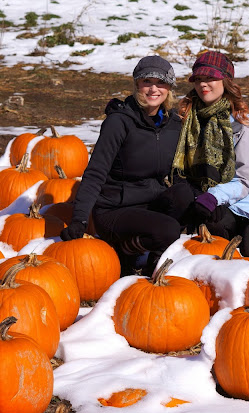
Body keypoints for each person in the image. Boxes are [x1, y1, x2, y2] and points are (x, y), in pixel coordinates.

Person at [60, 56, 183, 275]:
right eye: (147, 82)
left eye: (161, 82)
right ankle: (125, 251)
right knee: (168, 229)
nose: (154, 89)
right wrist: (79, 219)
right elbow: (95, 172)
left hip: (150, 202)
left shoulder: (173, 125)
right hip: (115, 208)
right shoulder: (119, 122)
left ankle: (154, 259)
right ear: (137, 84)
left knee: (184, 196)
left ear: (169, 88)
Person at [172, 51, 249, 260]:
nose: (203, 84)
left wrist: (213, 197)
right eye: (198, 79)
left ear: (226, 81)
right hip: (220, 202)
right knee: (214, 242)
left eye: (210, 78)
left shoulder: (242, 125)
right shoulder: (187, 118)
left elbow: (244, 181)